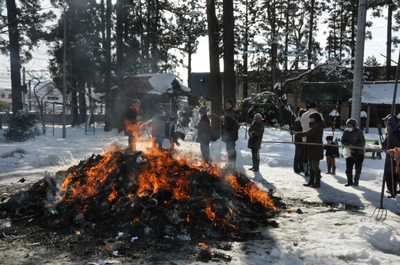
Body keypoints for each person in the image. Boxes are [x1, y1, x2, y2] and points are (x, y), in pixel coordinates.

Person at [292, 112, 325, 188]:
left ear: (315, 119)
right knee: (311, 165)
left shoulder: (317, 126)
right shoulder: (314, 125)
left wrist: (297, 134)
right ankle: (311, 181)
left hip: (316, 149)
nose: (310, 120)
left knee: (315, 166)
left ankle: (317, 182)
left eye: (311, 118)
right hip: (311, 148)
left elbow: (308, 133)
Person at [300, 101, 324, 176]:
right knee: (315, 159)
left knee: (306, 156)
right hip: (315, 139)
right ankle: (314, 173)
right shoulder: (318, 115)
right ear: (315, 107)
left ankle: (307, 170)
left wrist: (298, 134)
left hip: (304, 138)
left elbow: (302, 125)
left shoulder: (303, 115)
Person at [341, 118, 365, 187]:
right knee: (348, 167)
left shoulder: (359, 132)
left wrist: (355, 146)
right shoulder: (345, 132)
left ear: (354, 126)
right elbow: (343, 141)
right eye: (348, 126)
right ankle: (349, 181)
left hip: (359, 152)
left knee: (358, 167)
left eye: (350, 126)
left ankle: (356, 181)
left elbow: (362, 142)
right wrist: (348, 145)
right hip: (349, 152)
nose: (349, 128)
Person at [381, 115, 400, 197]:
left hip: (398, 159)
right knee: (389, 175)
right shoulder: (389, 134)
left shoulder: (398, 134)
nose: (387, 125)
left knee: (397, 175)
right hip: (390, 159)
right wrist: (387, 151)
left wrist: (394, 150)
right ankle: (392, 191)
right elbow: (385, 145)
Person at [221, 99, 240, 165]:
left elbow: (232, 117)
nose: (226, 105)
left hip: (231, 135)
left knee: (231, 150)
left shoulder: (233, 111)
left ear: (231, 104)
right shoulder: (230, 111)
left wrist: (225, 118)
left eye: (228, 103)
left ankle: (232, 164)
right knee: (229, 150)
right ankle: (230, 163)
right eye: (226, 103)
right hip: (229, 135)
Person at [293, 108, 307, 173]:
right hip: (298, 139)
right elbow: (295, 130)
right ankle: (296, 167)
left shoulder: (301, 120)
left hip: (302, 139)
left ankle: (301, 167)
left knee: (302, 154)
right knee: (298, 154)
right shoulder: (298, 121)